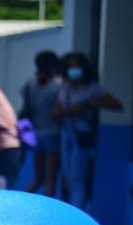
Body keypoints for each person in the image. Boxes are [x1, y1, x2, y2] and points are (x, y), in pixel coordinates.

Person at [53, 51, 123, 211]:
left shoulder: (92, 88)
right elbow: (55, 110)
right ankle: (69, 209)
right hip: (66, 131)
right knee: (67, 175)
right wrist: (65, 111)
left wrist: (89, 104)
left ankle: (78, 211)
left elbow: (117, 104)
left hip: (82, 133)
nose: (73, 69)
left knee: (78, 176)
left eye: (76, 65)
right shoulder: (66, 87)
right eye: (70, 66)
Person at [19, 50, 63, 197]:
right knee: (51, 179)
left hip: (35, 134)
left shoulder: (30, 84)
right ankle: (49, 213)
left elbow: (26, 109)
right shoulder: (58, 85)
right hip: (53, 134)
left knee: (38, 178)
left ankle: (21, 201)